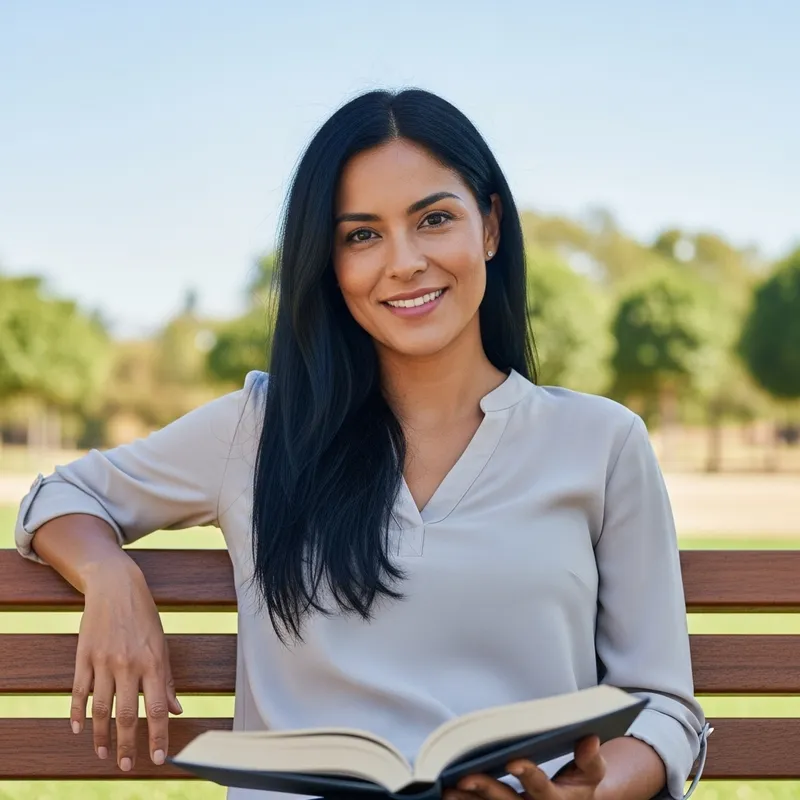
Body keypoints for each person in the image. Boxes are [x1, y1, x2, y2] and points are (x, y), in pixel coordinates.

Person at [14, 88, 707, 800]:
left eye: (434, 219)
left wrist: (589, 794)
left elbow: (664, 705)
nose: (404, 262)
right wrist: (110, 577)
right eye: (361, 235)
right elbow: (64, 495)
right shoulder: (260, 427)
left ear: (491, 226)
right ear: (328, 261)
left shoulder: (601, 441)